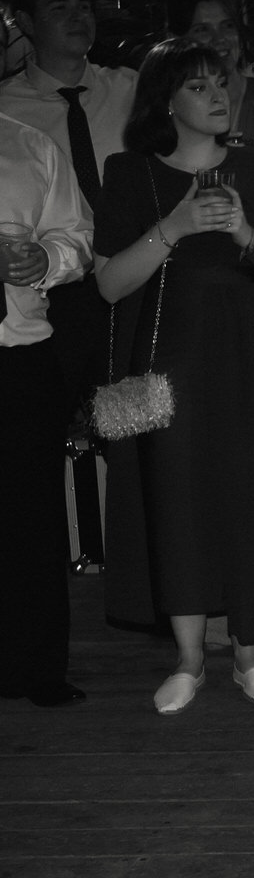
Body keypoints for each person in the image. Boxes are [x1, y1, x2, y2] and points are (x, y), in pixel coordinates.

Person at [94, 40, 254, 712]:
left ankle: (249, 656)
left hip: (248, 354)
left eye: (223, 82)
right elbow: (108, 284)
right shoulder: (130, 172)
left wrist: (243, 233)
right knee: (176, 498)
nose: (219, 96)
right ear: (165, 101)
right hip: (168, 361)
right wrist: (176, 225)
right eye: (199, 86)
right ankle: (189, 660)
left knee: (250, 494)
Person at [0, 0, 138, 570]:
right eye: (59, 7)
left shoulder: (133, 91)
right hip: (50, 303)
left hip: (133, 283)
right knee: (41, 443)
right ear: (24, 23)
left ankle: (145, 576)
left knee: (137, 431)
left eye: (83, 4)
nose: (79, 17)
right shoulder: (9, 113)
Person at [0, 111, 91, 708]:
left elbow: (76, 234)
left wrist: (48, 261)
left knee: (32, 515)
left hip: (21, 355)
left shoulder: (30, 144)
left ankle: (36, 668)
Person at [167, 0, 254, 149]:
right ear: (175, 40)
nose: (220, 38)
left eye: (227, 26)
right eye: (202, 30)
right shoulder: (170, 108)